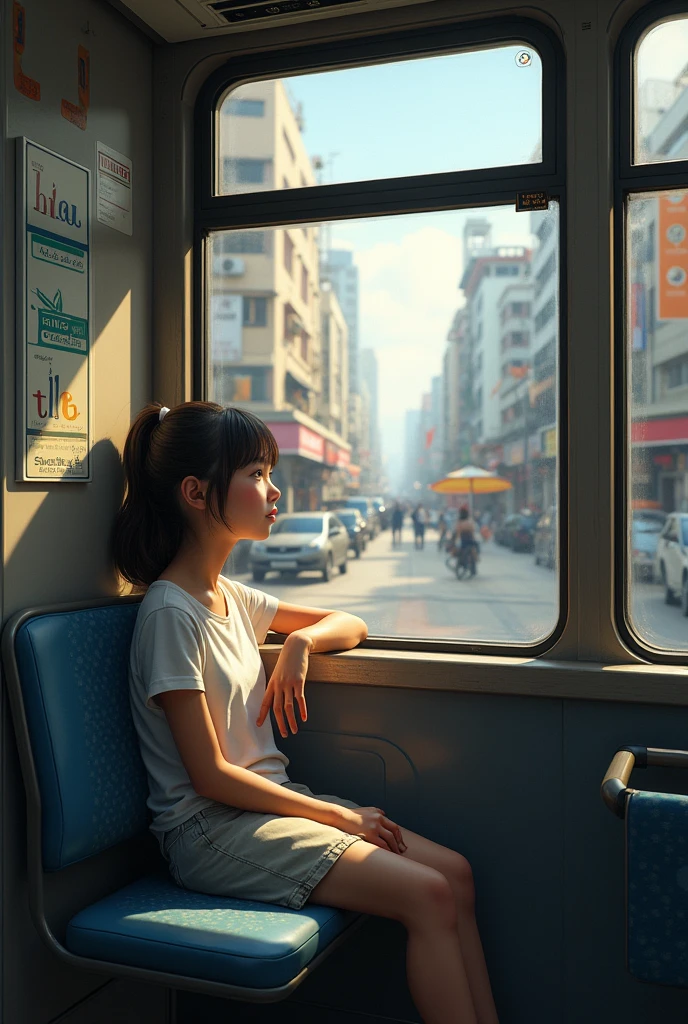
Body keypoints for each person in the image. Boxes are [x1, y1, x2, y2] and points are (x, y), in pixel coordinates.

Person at [112, 402, 499, 1024]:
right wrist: (337, 814)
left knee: (455, 874)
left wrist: (298, 644)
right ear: (195, 492)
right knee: (427, 894)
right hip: (208, 830)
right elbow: (208, 777)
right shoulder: (168, 613)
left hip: (258, 807)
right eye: (257, 474)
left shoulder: (230, 597)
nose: (275, 489)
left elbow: (350, 622)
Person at [452, 506, 480, 576]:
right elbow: (473, 533)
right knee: (475, 549)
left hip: (463, 542)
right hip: (470, 541)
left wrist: (456, 542)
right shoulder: (470, 522)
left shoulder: (459, 523)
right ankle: (476, 560)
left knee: (459, 551)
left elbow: (458, 533)